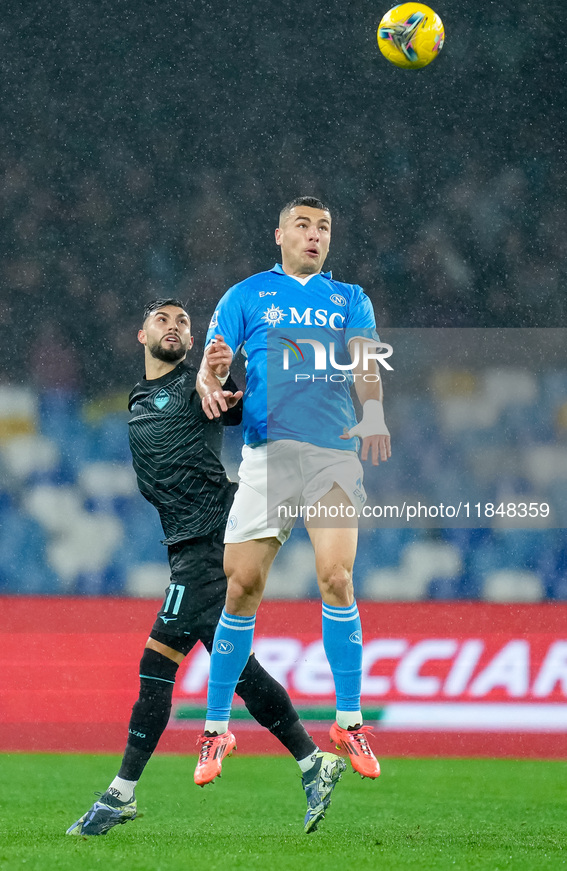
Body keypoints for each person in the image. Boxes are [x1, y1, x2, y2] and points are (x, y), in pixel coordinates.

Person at [66, 298, 346, 837]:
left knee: (157, 668)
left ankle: (118, 796)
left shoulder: (200, 387)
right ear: (140, 333)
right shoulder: (140, 396)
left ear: (193, 343)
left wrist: (238, 378)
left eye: (183, 323)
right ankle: (314, 763)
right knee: (233, 667)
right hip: (185, 546)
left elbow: (239, 406)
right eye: (163, 320)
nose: (174, 327)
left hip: (211, 540)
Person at [194, 197, 391, 785]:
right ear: (278, 233)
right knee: (242, 585)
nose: (314, 236)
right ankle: (215, 729)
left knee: (337, 576)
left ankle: (349, 720)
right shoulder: (245, 295)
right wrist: (213, 383)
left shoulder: (349, 298)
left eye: (324, 228)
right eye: (303, 226)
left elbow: (365, 363)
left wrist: (374, 411)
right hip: (267, 455)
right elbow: (213, 365)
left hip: (332, 452)